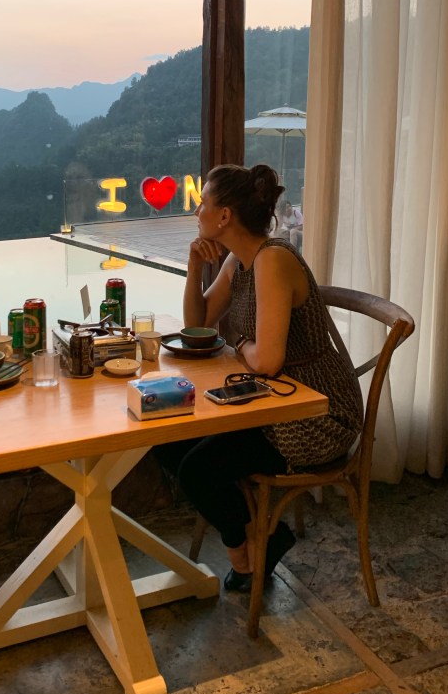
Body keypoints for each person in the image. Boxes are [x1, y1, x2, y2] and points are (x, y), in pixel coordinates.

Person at [155, 164, 363, 592]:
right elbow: (198, 326)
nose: (196, 211)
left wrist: (241, 341)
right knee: (166, 441)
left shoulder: (272, 259)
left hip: (316, 414)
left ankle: (247, 558)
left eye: (202, 203)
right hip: (272, 401)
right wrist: (194, 266)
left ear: (224, 215)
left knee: (198, 470)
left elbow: (267, 360)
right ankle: (262, 536)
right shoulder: (240, 260)